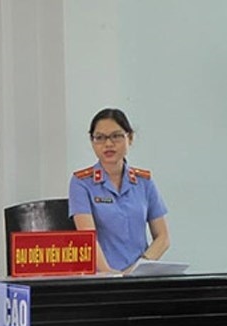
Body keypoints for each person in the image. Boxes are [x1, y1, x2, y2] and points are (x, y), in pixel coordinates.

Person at [68, 108, 170, 273]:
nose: (108, 144)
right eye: (100, 138)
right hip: (102, 277)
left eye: (116, 136)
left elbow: (163, 237)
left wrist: (139, 267)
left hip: (139, 276)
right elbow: (88, 239)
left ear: (130, 138)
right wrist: (111, 275)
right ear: (92, 142)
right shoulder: (81, 183)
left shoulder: (144, 182)